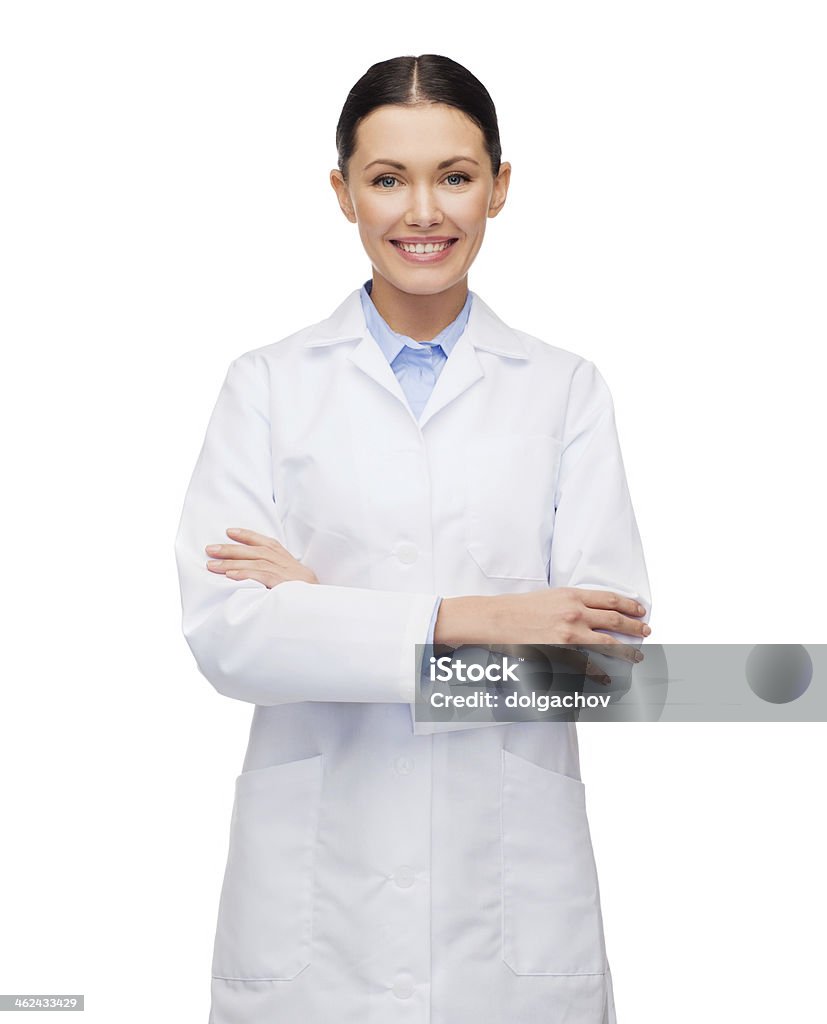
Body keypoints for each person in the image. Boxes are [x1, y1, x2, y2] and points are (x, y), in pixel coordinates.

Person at [174, 53, 652, 1024]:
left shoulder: (562, 391)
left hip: (506, 905)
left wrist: (322, 619)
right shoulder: (266, 386)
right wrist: (479, 616)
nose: (422, 211)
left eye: (456, 175)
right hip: (318, 915)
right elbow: (230, 636)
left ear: (499, 187)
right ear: (342, 191)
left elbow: (601, 670)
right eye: (387, 178)